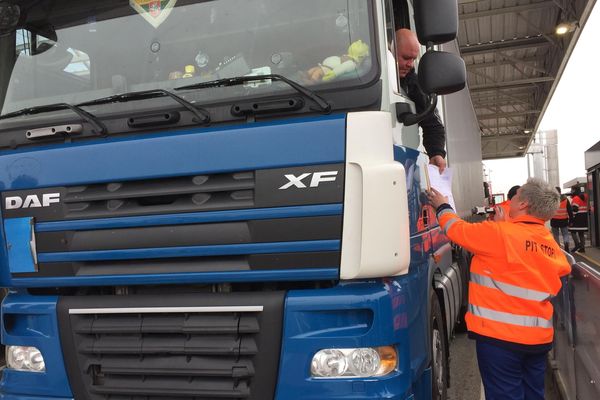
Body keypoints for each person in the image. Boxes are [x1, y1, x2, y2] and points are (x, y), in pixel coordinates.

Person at [426, 178, 571, 400]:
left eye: (515, 196)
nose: (510, 201)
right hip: (539, 339)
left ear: (523, 205)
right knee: (534, 394)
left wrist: (442, 205)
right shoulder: (550, 244)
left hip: (501, 341)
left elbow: (456, 229)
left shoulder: (498, 234)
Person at [395, 28, 447, 172]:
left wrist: (436, 152)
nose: (410, 64)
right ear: (390, 51)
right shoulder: (364, 74)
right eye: (405, 58)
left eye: (413, 59)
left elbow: (433, 124)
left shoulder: (416, 85)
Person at [550, 187, 573, 252]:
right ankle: (566, 243)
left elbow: (549, 210)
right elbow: (570, 211)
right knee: (565, 234)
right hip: (564, 220)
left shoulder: (552, 199)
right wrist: (571, 220)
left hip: (554, 220)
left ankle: (558, 248)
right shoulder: (565, 200)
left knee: (556, 235)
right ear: (560, 192)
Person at [569, 186, 588, 253]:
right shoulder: (585, 197)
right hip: (584, 217)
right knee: (581, 233)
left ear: (574, 190)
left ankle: (577, 244)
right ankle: (582, 248)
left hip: (577, 217)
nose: (571, 191)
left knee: (572, 231)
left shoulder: (576, 198)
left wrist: (572, 218)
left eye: (571, 190)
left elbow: (575, 209)